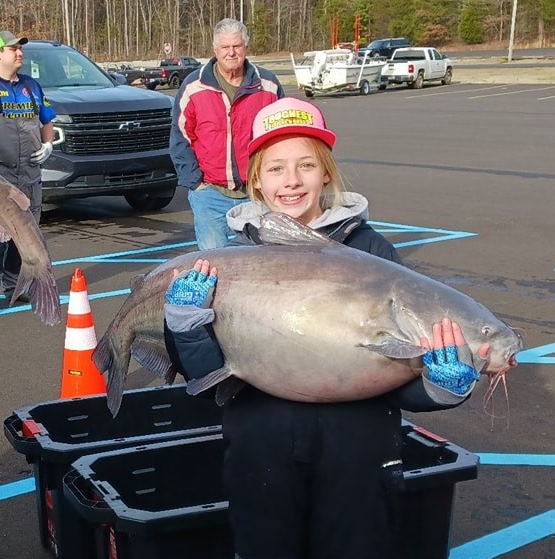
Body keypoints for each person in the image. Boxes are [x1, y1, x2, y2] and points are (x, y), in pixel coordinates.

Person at [163, 98, 483, 559]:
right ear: (256, 180)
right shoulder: (229, 260)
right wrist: (187, 326)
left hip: (359, 454)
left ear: (327, 173)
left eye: (305, 166)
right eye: (275, 169)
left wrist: (439, 386)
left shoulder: (373, 253)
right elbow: (204, 374)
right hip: (260, 450)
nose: (290, 181)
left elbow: (397, 383)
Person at [170, 18, 284, 250]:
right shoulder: (194, 86)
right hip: (210, 193)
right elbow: (180, 137)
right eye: (225, 47)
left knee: (262, 259)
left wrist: (275, 180)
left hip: (258, 192)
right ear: (215, 50)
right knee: (214, 262)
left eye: (237, 46)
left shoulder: (268, 86)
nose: (231, 53)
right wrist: (196, 183)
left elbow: (283, 138)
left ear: (246, 48)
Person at [0, 30, 55, 311]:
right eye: (13, 48)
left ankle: (18, 284)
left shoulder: (32, 86)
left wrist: (48, 144)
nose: (19, 53)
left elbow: (46, 119)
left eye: (20, 48)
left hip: (30, 171)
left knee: (26, 232)